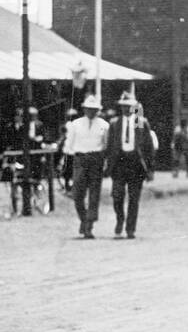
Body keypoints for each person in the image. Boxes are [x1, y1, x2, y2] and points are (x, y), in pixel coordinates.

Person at [106, 90, 155, 239]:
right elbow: (110, 146)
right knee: (117, 196)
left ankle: (130, 228)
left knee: (134, 198)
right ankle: (120, 219)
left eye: (128, 106)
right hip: (119, 163)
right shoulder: (114, 123)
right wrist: (108, 165)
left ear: (134, 107)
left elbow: (148, 146)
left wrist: (150, 168)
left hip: (135, 164)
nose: (125, 109)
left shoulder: (140, 122)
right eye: (123, 106)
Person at [62, 95, 108, 239]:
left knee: (94, 194)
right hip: (80, 159)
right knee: (77, 194)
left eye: (94, 109)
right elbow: (68, 144)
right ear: (84, 109)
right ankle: (83, 218)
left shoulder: (104, 125)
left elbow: (106, 145)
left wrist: (104, 161)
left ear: (98, 110)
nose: (91, 112)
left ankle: (89, 225)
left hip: (96, 159)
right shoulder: (75, 124)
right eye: (88, 109)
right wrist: (66, 160)